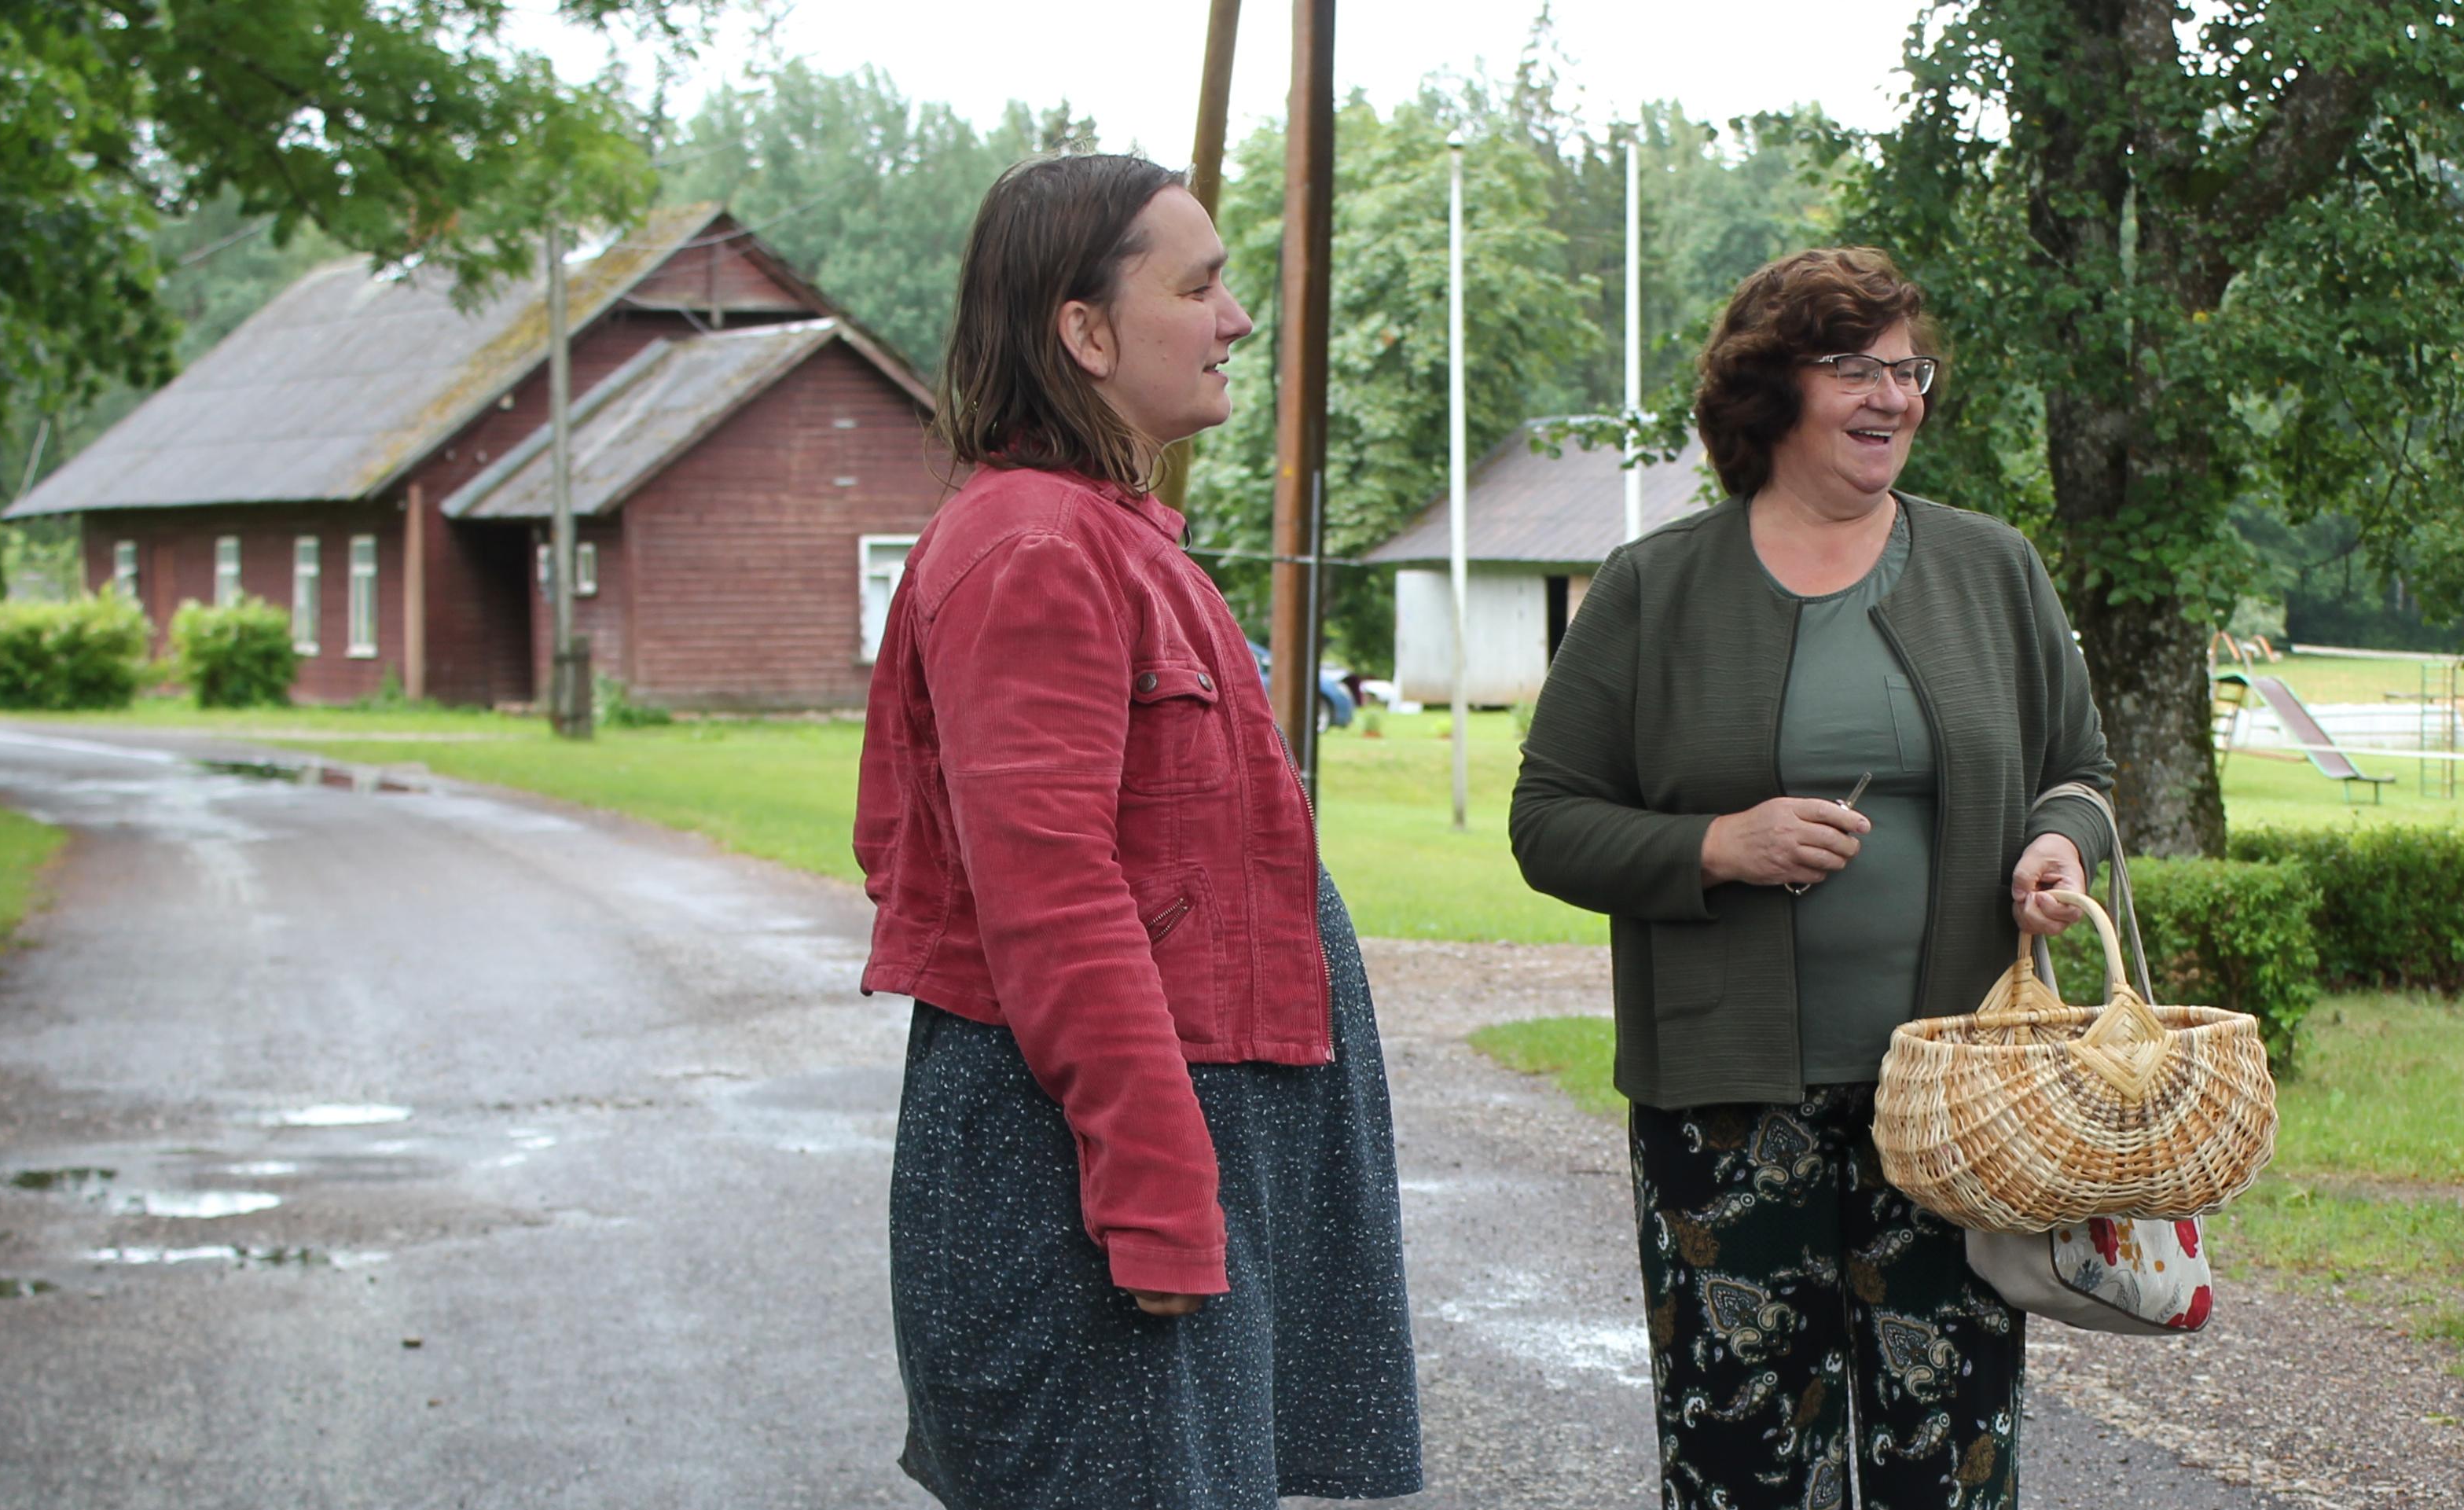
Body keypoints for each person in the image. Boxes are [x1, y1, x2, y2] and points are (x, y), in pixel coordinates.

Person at [852, 152, 1422, 1509]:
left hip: (1153, 1149)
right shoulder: (1035, 548)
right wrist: (1161, 1198)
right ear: (1085, 331)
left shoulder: (1103, 534)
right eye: (1201, 283)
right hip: (1082, 1178)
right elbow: (1049, 903)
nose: (1234, 318)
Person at [1509, 247, 2113, 1509]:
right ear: (1768, 390)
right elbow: (1547, 821)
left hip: (1960, 1098)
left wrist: (2058, 844)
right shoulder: (1652, 588)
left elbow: (2081, 771)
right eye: (1854, 367)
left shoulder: (1991, 569)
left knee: (1945, 1452)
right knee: (1740, 1457)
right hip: (1723, 1099)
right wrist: (1718, 846)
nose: (1893, 395)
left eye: (1908, 368)